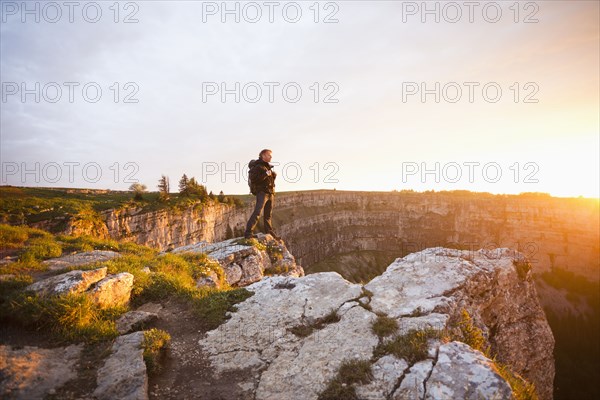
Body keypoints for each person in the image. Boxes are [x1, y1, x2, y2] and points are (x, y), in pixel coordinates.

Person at [244, 149, 281, 241]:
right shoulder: (258, 166)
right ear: (263, 155)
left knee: (268, 214)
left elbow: (268, 180)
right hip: (262, 193)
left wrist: (273, 176)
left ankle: (269, 232)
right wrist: (266, 174)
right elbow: (254, 179)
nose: (271, 157)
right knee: (258, 212)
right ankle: (248, 233)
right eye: (269, 155)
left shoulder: (267, 167)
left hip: (270, 192)